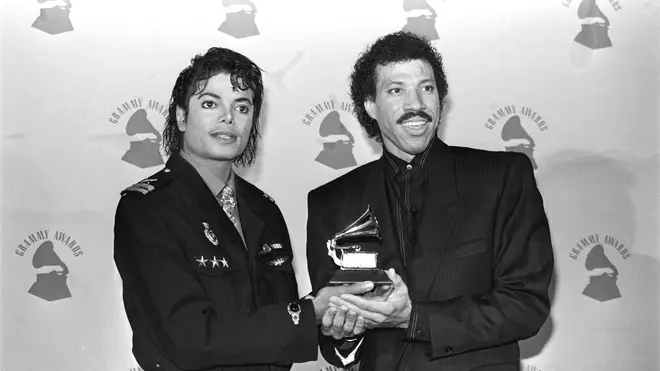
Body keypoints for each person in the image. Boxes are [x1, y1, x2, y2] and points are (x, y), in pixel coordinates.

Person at [306, 31, 554, 371]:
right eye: (396, 90)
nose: (416, 105)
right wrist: (344, 333)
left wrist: (415, 319)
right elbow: (334, 340)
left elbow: (526, 306)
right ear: (369, 105)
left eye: (426, 88)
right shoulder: (330, 201)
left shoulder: (501, 177)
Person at [113, 47, 373, 371]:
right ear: (180, 116)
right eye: (210, 103)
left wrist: (336, 317)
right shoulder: (146, 208)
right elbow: (189, 339)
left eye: (242, 106)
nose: (228, 117)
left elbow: (280, 329)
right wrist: (308, 314)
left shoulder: (264, 209)